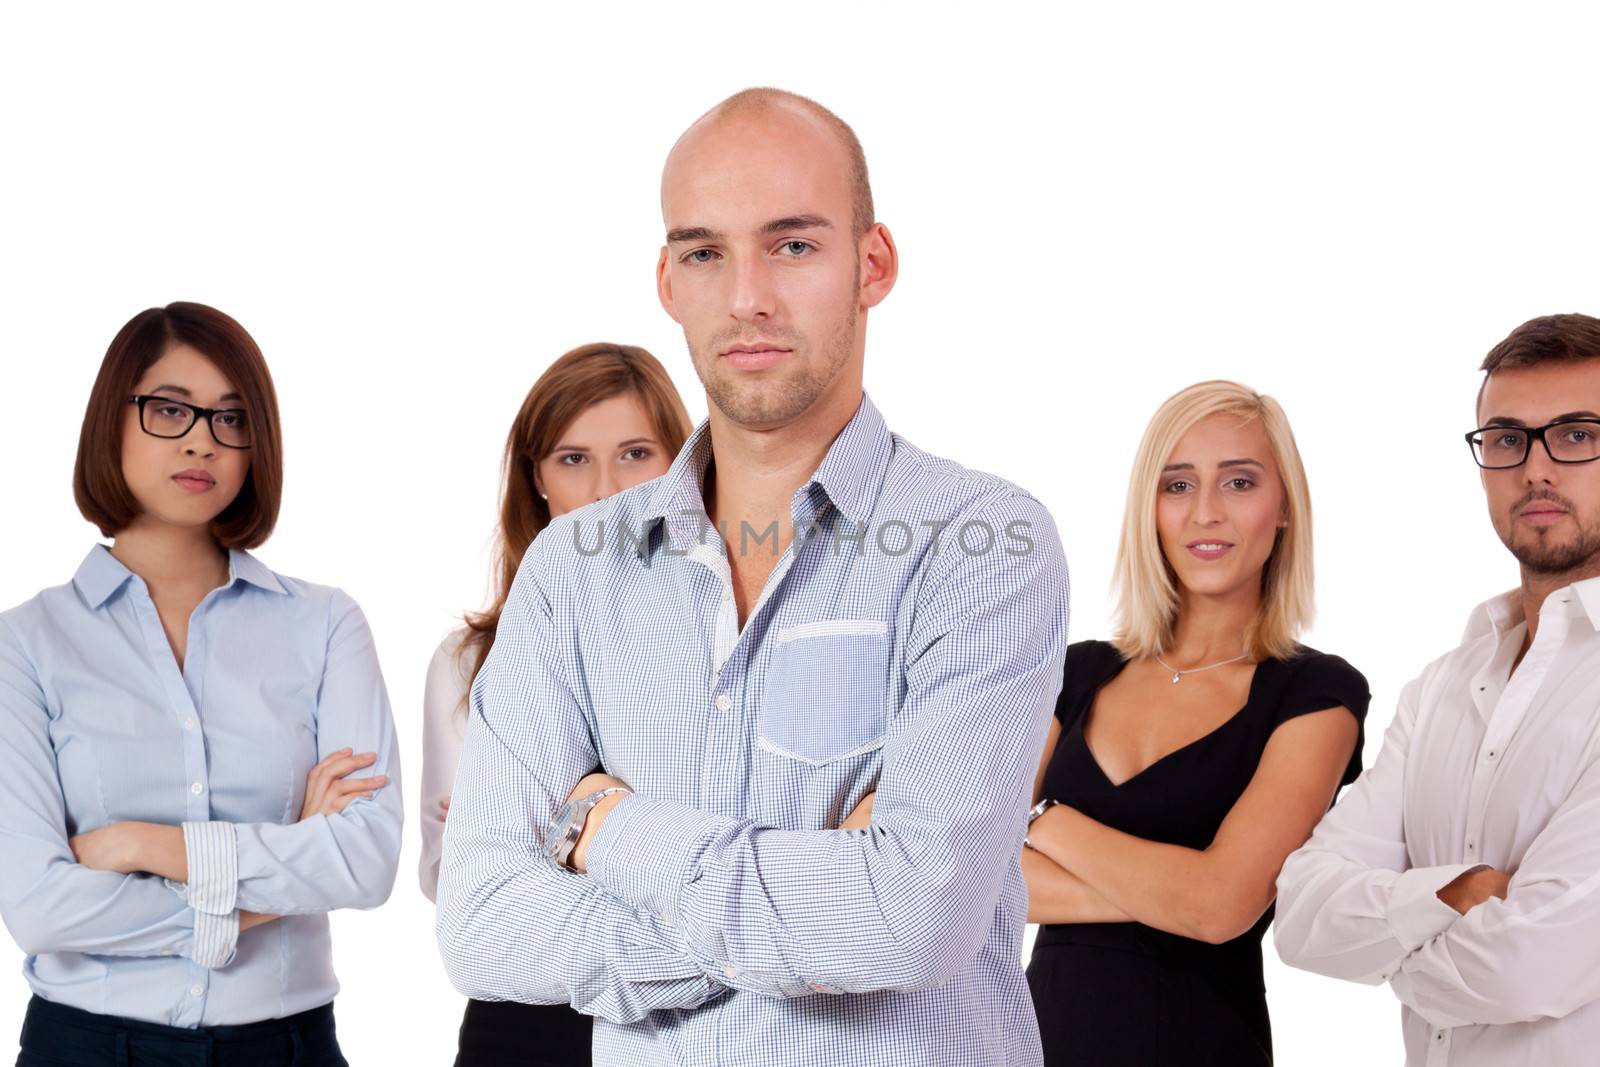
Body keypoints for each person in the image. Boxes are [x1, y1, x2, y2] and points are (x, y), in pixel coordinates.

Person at [435, 88, 1069, 1067]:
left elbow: (913, 919)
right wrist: (823, 894)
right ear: (666, 280)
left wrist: (607, 831)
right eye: (705, 252)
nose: (747, 298)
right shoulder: (569, 571)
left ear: (873, 264)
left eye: (792, 245)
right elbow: (481, 923)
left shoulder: (981, 540)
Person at [0, 303, 402, 1066]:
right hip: (82, 1046)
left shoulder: (324, 624)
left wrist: (137, 845)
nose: (200, 439)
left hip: (286, 1047)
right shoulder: (24, 644)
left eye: (230, 418)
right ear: (110, 419)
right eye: (170, 408)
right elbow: (41, 909)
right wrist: (276, 872)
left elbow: (366, 859)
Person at [1275, 313, 1600, 1066]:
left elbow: (1527, 965)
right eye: (1508, 439)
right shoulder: (1441, 689)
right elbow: (1301, 912)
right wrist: (1468, 890)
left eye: (1578, 434)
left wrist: (1393, 949)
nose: (1536, 469)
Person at [1021, 380, 1368, 1065]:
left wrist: (1039, 818)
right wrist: (1181, 893)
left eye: (1239, 482)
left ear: (1284, 508)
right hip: (1037, 1044)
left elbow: (1221, 908)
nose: (1205, 512)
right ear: (1149, 508)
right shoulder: (1074, 672)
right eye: (1177, 485)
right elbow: (972, 880)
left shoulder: (1316, 694)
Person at [419, 342, 692, 1066]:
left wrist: (551, 828)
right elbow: (457, 883)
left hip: (686, 1013)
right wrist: (620, 825)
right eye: (573, 459)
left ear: (682, 463)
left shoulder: (725, 640)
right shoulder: (466, 659)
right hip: (526, 1012)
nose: (606, 488)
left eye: (636, 453)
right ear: (535, 478)